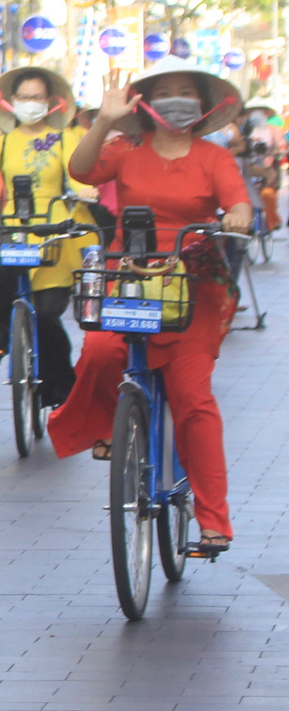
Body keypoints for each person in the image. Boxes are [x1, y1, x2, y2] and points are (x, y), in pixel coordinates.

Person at [49, 63, 251, 552]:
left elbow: (237, 204)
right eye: (164, 92)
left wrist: (240, 217)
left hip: (191, 286)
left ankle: (213, 521)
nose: (175, 99)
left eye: (185, 93)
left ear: (202, 107)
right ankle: (109, 428)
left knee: (193, 398)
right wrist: (103, 120)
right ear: (145, 103)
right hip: (128, 275)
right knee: (98, 351)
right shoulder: (125, 150)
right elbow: (80, 170)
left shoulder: (213, 158)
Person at [0, 68, 91, 407]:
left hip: (56, 230)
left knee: (48, 314)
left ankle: (59, 386)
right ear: (11, 103)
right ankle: (1, 336)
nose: (30, 103)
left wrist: (87, 191)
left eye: (37, 97)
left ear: (51, 102)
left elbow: (77, 175)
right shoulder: (3, 141)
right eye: (24, 97)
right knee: (3, 290)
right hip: (14, 229)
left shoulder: (65, 137)